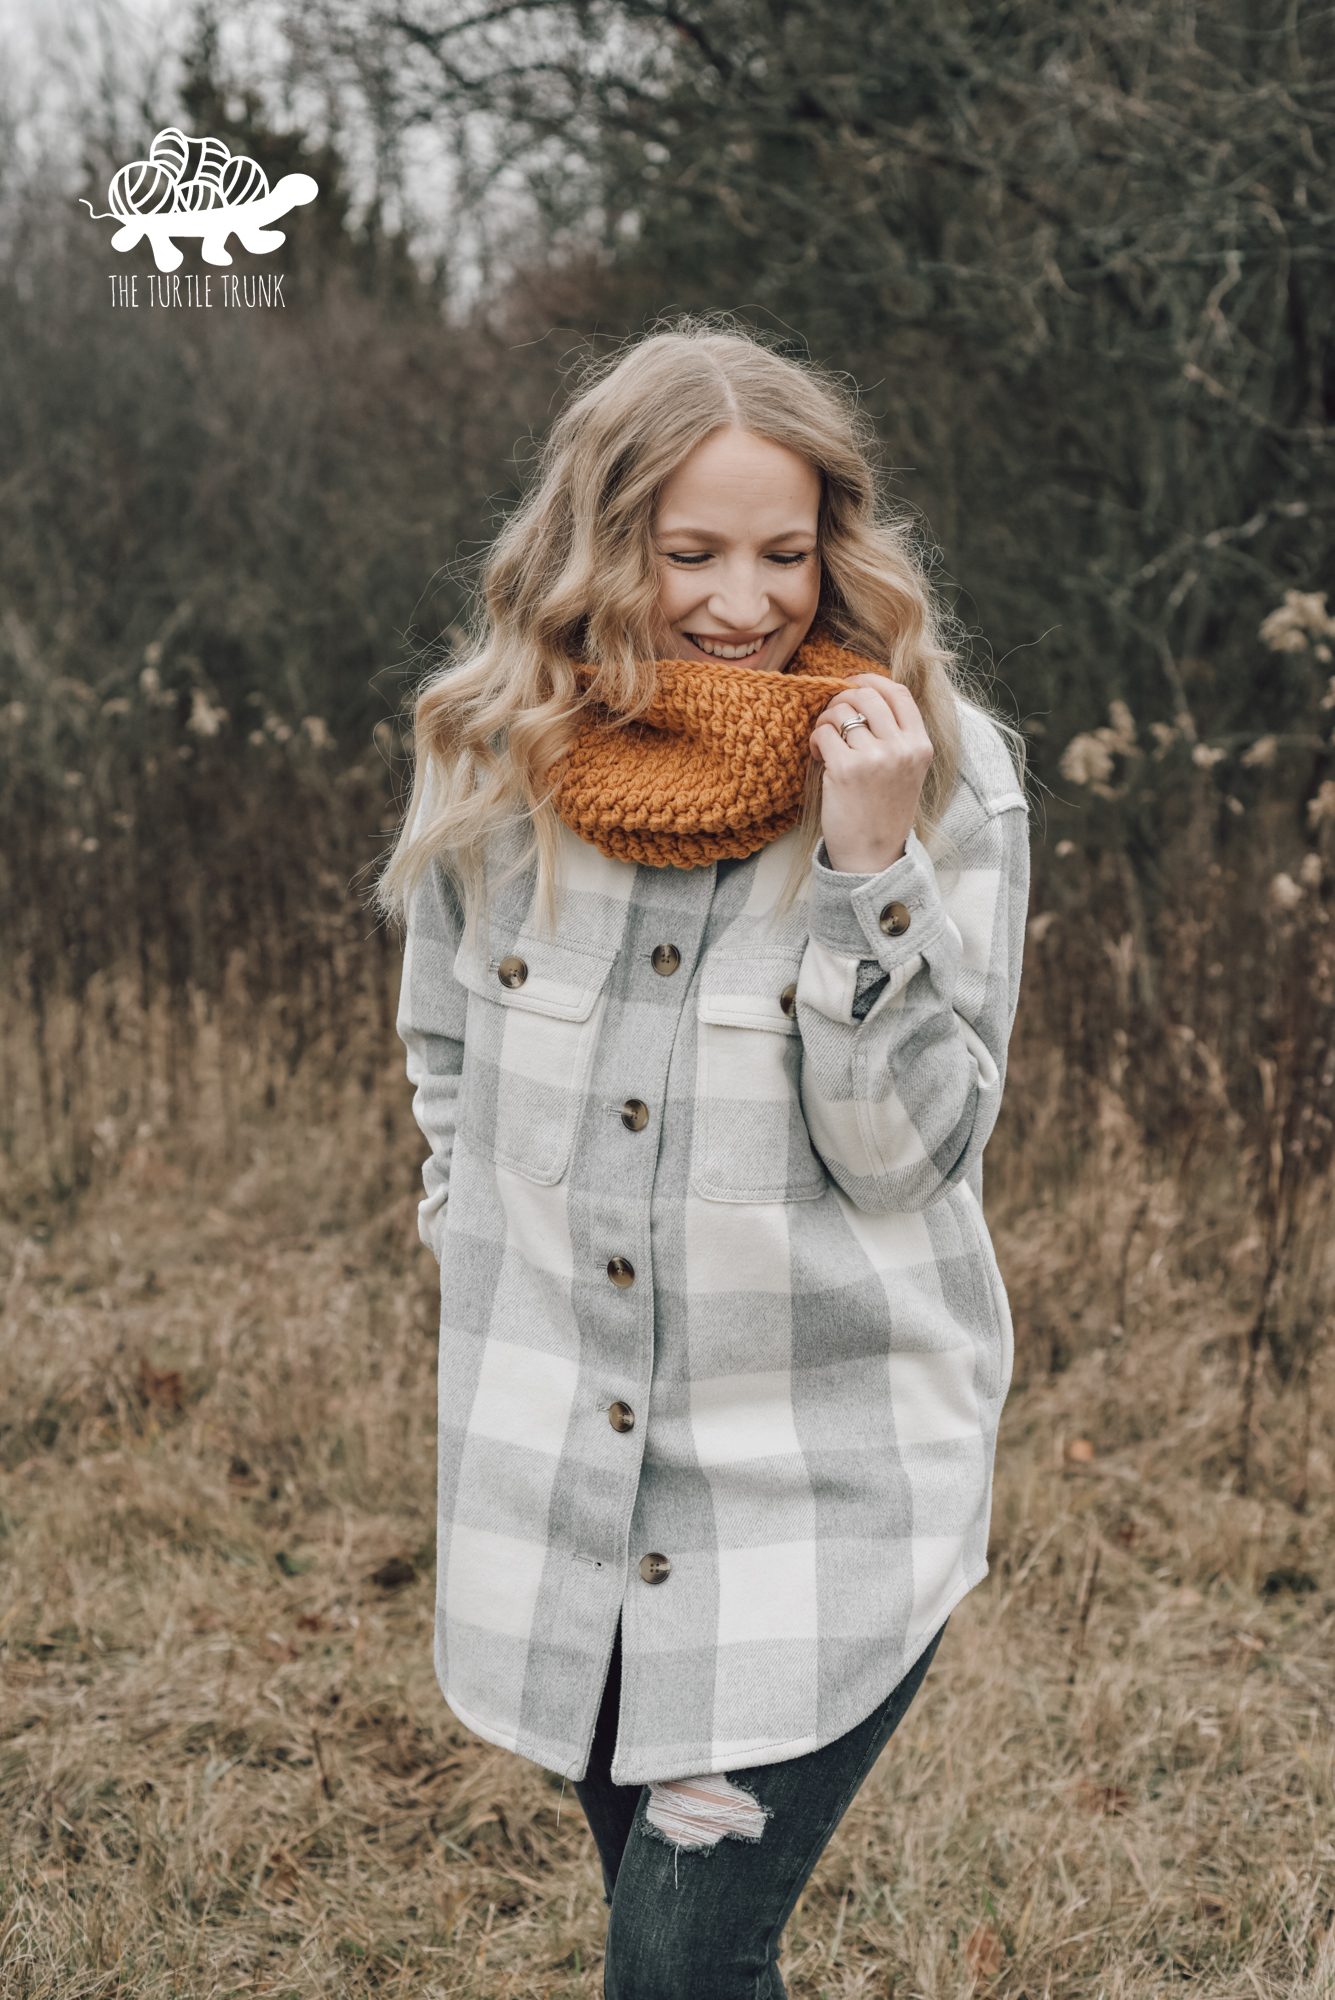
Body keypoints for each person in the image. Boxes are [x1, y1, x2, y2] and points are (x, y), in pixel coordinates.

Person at [382, 325, 1028, 1997]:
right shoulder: (494, 758)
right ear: (602, 547)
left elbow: (914, 1159)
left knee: (674, 1965)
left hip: (816, 1496)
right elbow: (444, 1045)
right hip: (560, 1487)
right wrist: (474, 1241)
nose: (746, 601)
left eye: (785, 553)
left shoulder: (940, 784)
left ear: (840, 550)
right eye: (692, 554)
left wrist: (868, 867)